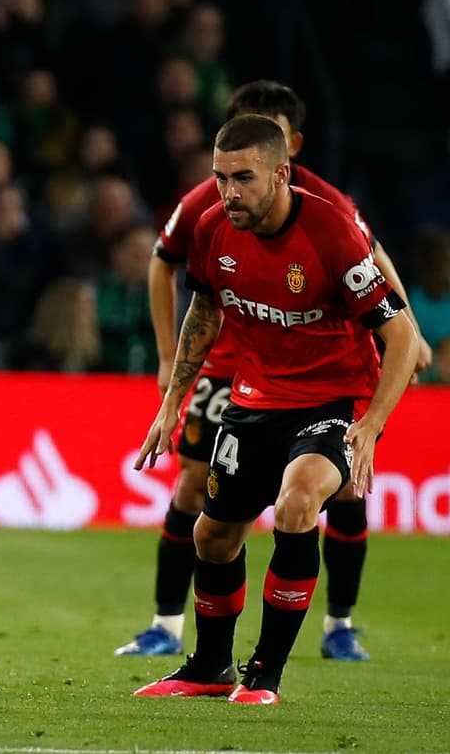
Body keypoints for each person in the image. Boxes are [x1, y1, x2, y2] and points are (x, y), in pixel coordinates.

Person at [116, 81, 432, 661]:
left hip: (335, 390)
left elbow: (388, 296)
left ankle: (303, 648)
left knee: (308, 498)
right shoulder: (211, 219)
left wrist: (376, 413)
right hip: (250, 384)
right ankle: (189, 647)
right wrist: (171, 392)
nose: (229, 190)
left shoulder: (330, 221)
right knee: (207, 519)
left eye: (243, 177)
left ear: (285, 161)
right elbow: (197, 304)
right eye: (221, 177)